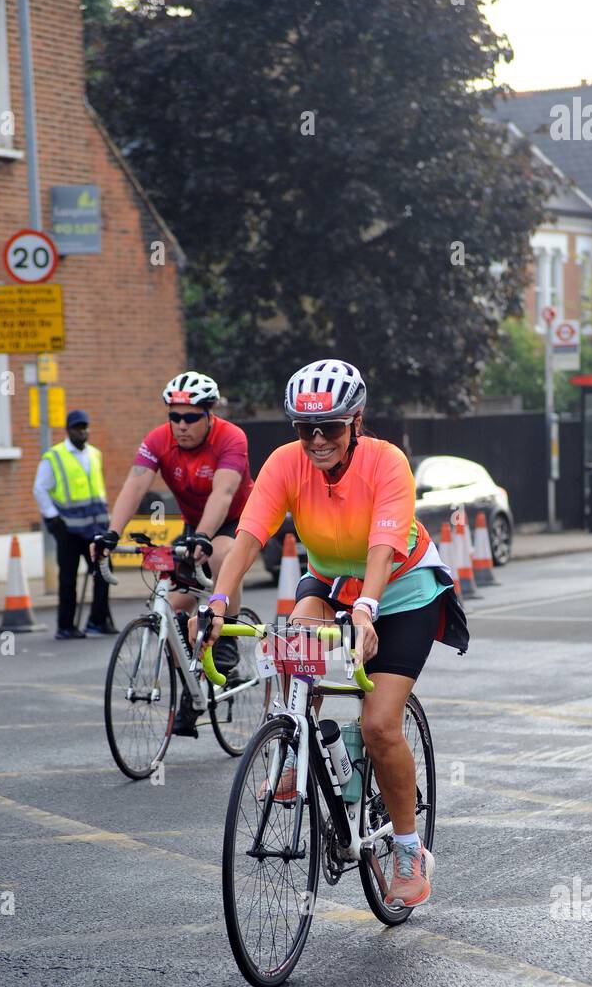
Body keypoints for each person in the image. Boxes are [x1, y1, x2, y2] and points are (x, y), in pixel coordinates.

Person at [201, 358, 469, 909]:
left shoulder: (386, 462)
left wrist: (367, 610)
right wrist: (217, 602)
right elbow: (249, 537)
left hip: (401, 589)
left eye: (330, 428)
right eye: (304, 429)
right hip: (328, 580)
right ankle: (293, 752)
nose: (317, 440)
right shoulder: (284, 464)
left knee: (377, 722)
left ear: (356, 422)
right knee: (291, 648)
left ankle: (407, 849)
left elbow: (384, 545)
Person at [92, 371, 253, 735]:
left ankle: (227, 636)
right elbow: (135, 484)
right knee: (168, 610)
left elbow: (223, 494)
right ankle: (192, 693)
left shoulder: (231, 438)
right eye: (174, 416)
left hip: (236, 521)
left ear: (209, 415)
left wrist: (202, 537)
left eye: (191, 417)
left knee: (221, 557)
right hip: (196, 527)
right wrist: (111, 533)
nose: (181, 425)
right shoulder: (158, 440)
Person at [33, 409, 116, 640]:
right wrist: (52, 518)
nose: (82, 431)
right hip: (68, 528)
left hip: (95, 528)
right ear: (68, 430)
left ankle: (98, 621)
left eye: (85, 427)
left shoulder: (95, 454)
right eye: (78, 428)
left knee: (103, 572)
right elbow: (40, 488)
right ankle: (66, 626)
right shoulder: (55, 456)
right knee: (68, 578)